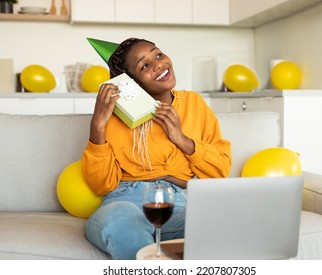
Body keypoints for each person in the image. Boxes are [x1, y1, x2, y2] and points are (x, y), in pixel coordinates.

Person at [81, 37, 231, 259]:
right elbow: (101, 184)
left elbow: (220, 170)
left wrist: (181, 138)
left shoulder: (194, 104)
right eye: (144, 66)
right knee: (124, 218)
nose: (158, 64)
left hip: (175, 206)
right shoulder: (114, 116)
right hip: (123, 202)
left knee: (223, 221)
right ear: (131, 82)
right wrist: (98, 126)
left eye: (158, 54)